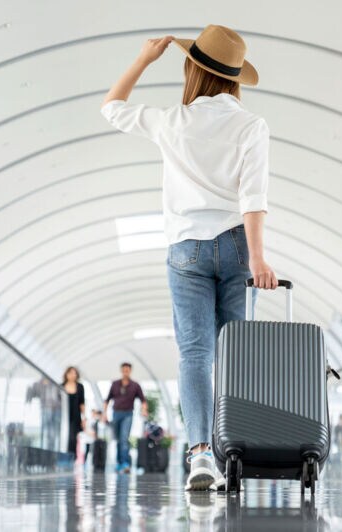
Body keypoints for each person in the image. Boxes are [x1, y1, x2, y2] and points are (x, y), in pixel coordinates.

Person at [100, 24, 277, 491]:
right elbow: (253, 198)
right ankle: (234, 450)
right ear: (235, 78)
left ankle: (201, 455)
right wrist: (258, 259)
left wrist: (142, 59)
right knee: (235, 354)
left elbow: (111, 107)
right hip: (238, 246)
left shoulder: (171, 121)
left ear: (192, 71)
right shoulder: (251, 126)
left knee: (194, 354)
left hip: (185, 251)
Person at [101, 363, 148, 474]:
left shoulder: (135, 385)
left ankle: (125, 464)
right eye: (124, 370)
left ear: (130, 371)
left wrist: (144, 409)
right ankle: (119, 463)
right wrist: (104, 414)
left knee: (124, 438)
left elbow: (143, 400)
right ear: (121, 371)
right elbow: (107, 400)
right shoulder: (115, 384)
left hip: (128, 414)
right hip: (116, 414)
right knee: (117, 440)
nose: (125, 372)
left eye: (127, 370)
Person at [61, 366, 86, 456]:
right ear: (66, 374)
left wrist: (84, 418)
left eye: (74, 373)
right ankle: (63, 456)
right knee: (64, 437)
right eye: (70, 373)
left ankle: (71, 457)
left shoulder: (80, 387)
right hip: (63, 416)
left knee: (73, 438)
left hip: (75, 416)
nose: (72, 375)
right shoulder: (61, 386)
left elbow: (82, 403)